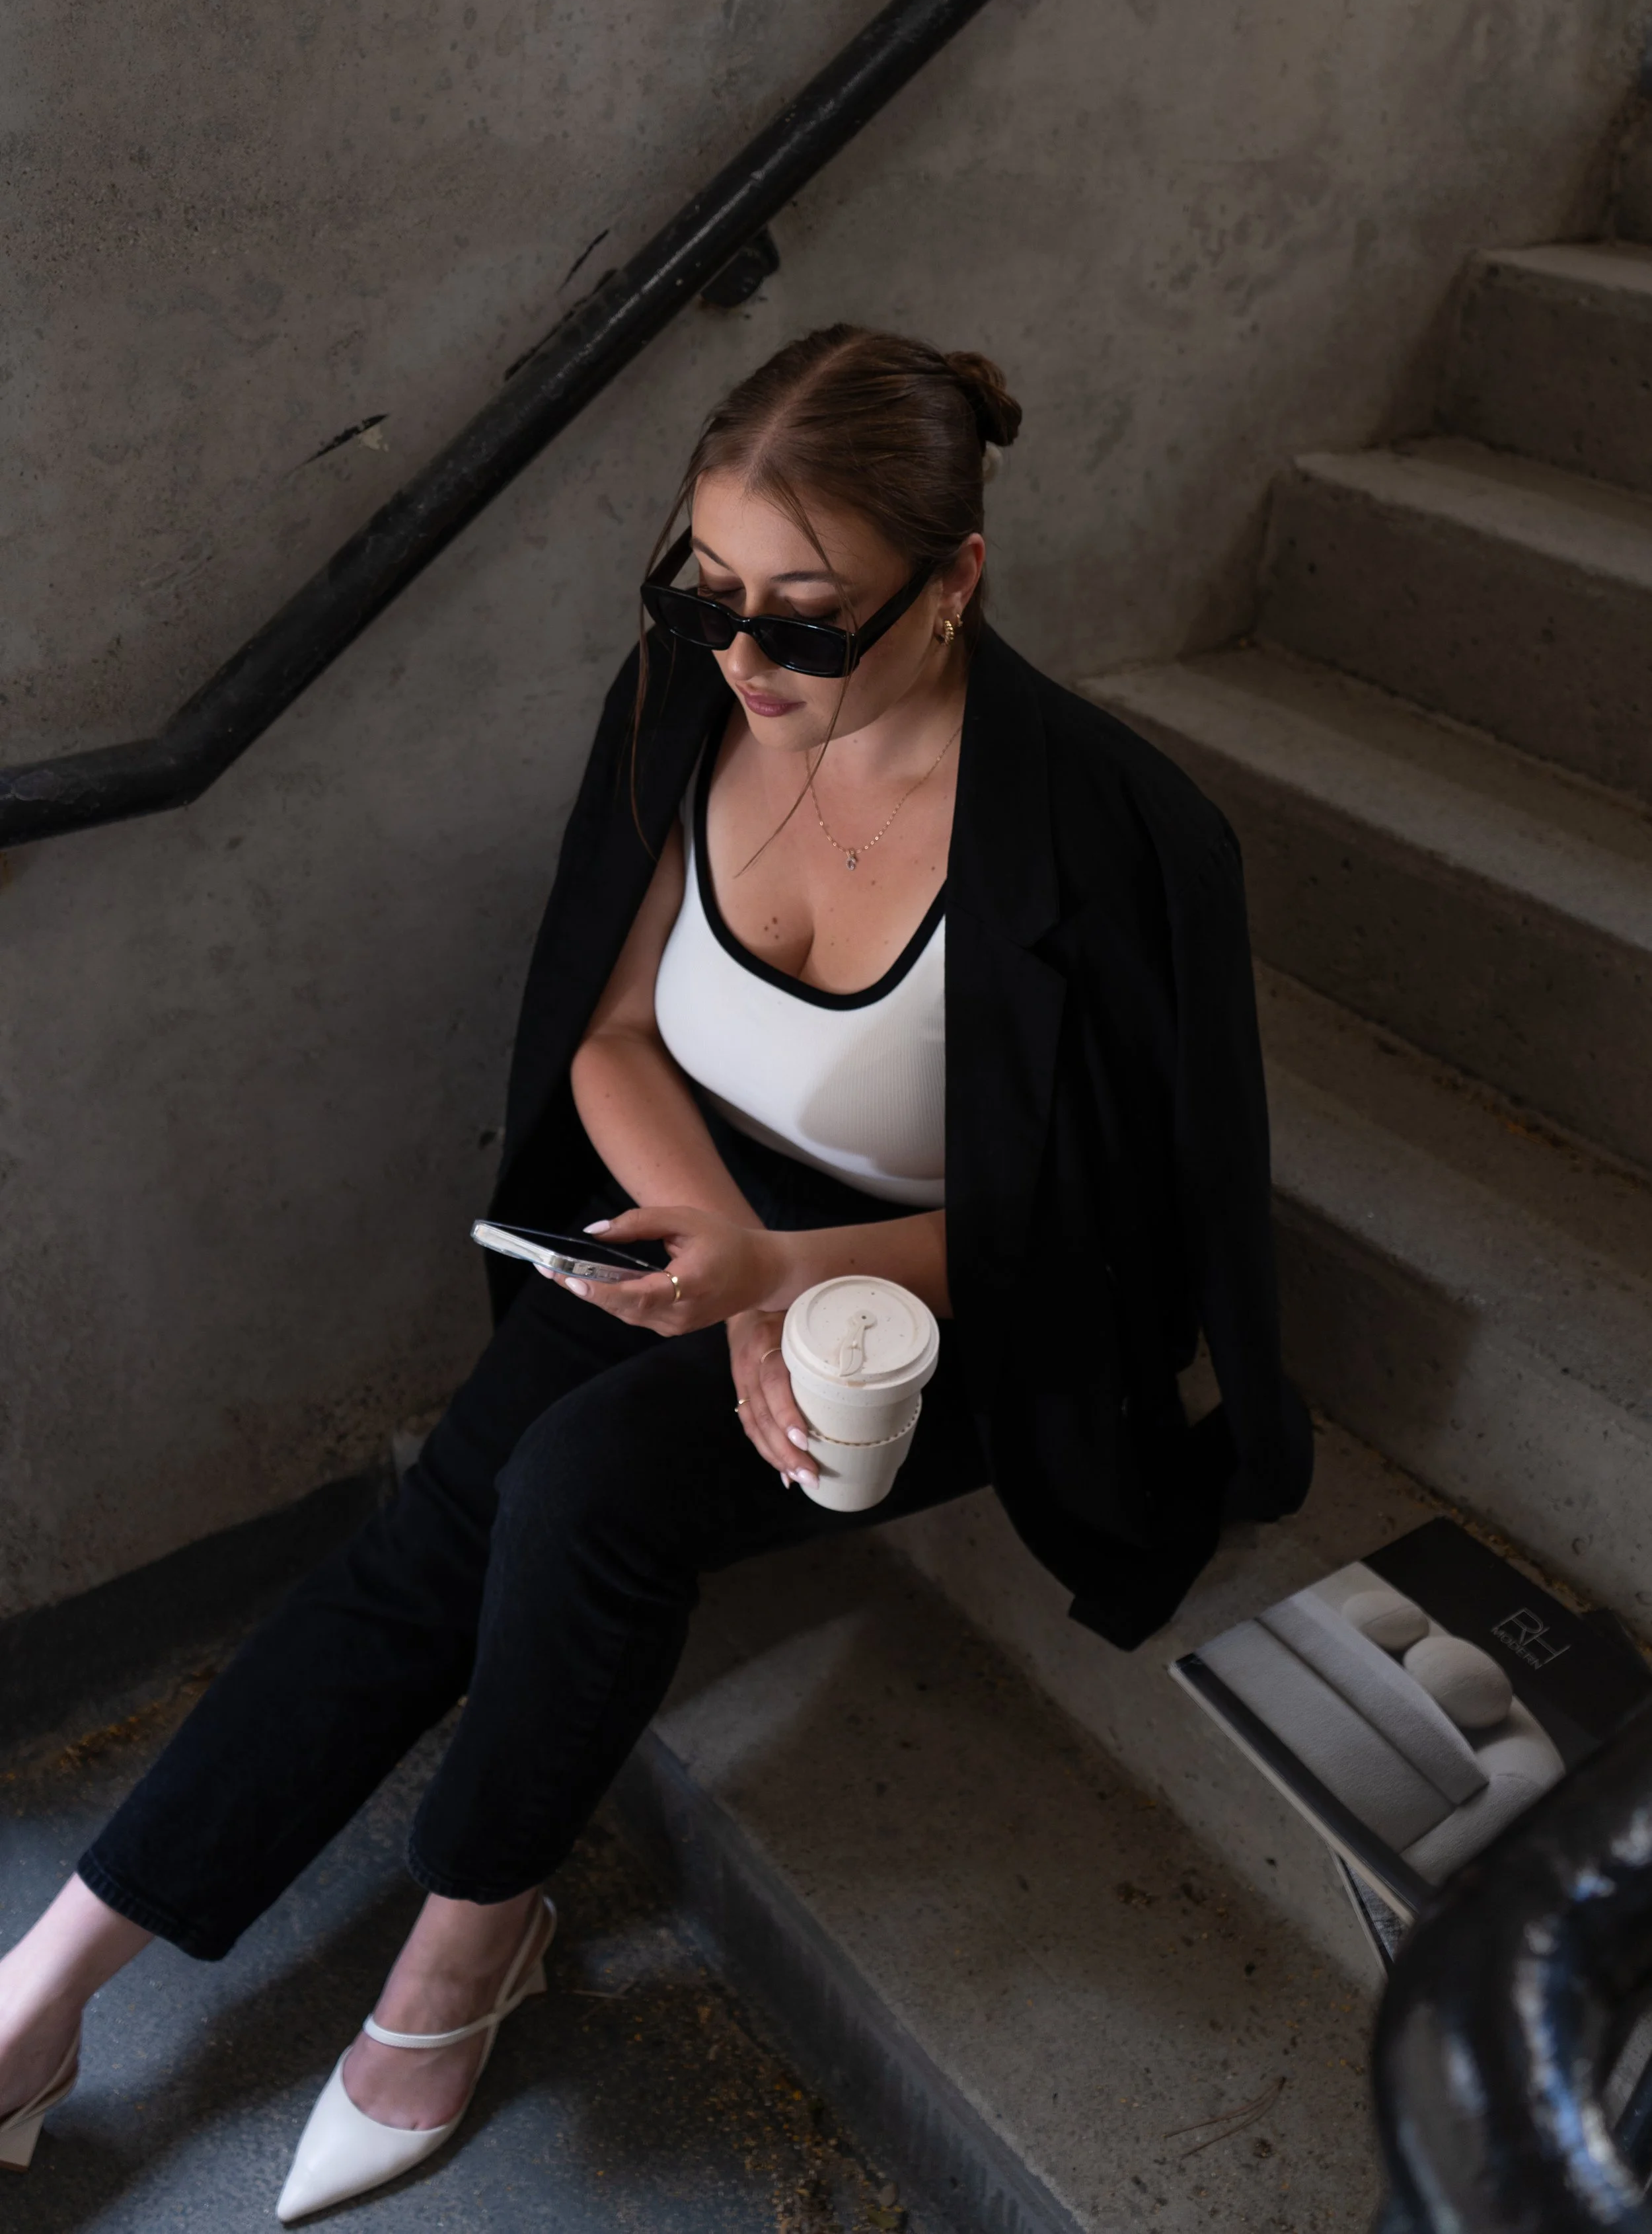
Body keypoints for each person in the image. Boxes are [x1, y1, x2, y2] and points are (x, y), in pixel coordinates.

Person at [0, 327, 1310, 2212]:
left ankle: (468, 1948)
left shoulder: (1115, 840)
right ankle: (46, 1989)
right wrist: (731, 1254)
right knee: (449, 1518)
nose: (743, 662)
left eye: (808, 621)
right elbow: (610, 1037)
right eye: (705, 596)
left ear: (956, 578)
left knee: (588, 1485)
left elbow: (1114, 1237)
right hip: (712, 1206)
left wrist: (786, 1270)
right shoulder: (688, 698)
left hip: (960, 1289)